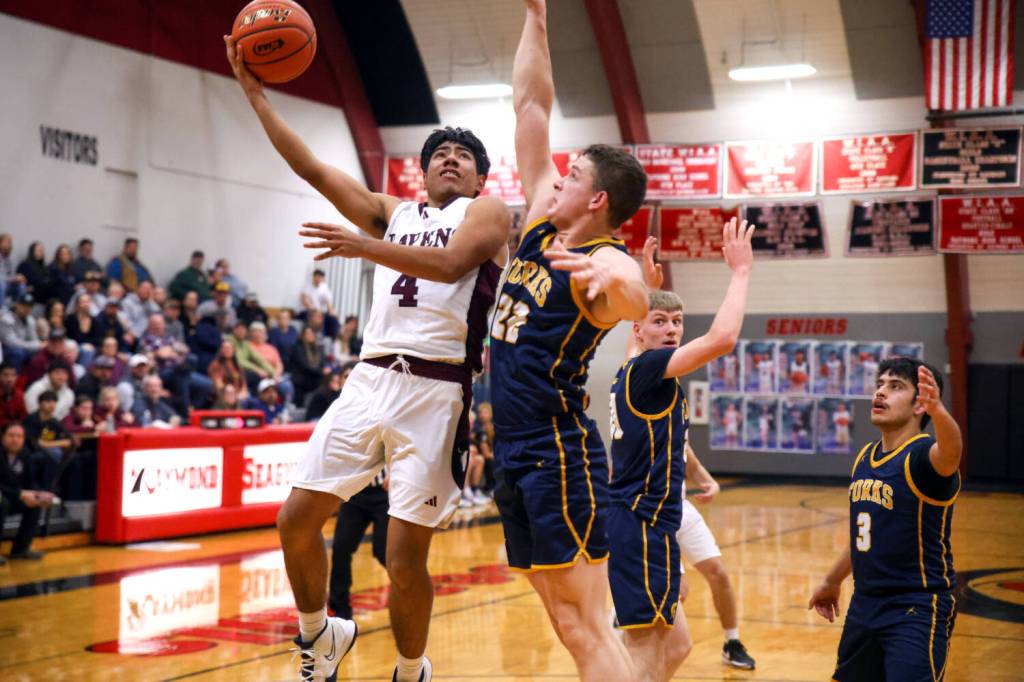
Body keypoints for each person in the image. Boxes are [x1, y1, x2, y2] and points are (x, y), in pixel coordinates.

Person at [226, 29, 509, 682]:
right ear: (422, 168)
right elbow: (313, 169)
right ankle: (319, 634)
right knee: (294, 520)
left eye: (463, 155)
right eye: (439, 151)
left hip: (437, 393)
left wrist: (363, 247)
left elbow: (449, 266)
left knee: (404, 559)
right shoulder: (393, 211)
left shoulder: (489, 212)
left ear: (479, 175)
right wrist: (256, 96)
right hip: (370, 379)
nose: (449, 158)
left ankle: (412, 671)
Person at [484, 3, 652, 679]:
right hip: (513, 447)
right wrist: (536, 18)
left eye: (574, 175)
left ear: (597, 203)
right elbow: (530, 105)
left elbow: (632, 294)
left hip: (557, 449)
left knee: (584, 625)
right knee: (564, 622)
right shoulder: (539, 225)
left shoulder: (602, 263)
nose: (559, 178)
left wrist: (617, 278)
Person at [606, 230, 752, 682]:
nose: (670, 330)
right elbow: (723, 338)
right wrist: (741, 271)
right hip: (640, 523)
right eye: (659, 322)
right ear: (639, 330)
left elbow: (636, 336)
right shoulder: (649, 369)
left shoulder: (635, 363)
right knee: (646, 650)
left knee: (680, 644)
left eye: (676, 322)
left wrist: (646, 294)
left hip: (657, 523)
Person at [809, 358, 962, 681]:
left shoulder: (925, 457)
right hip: (864, 604)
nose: (880, 392)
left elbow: (952, 451)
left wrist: (939, 412)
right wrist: (833, 580)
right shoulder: (865, 457)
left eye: (895, 387)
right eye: (880, 384)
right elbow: (864, 538)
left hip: (916, 606)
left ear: (920, 403)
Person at [675, 444, 756, 669]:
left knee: (718, 572)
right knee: (678, 592)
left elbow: (692, 464)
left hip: (680, 507)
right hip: (653, 512)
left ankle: (732, 643)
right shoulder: (642, 419)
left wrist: (710, 482)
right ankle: (624, 622)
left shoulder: (678, 416)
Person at [329, 468, 389, 619]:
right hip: (355, 492)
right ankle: (340, 606)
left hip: (387, 493)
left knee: (385, 553)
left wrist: (397, 471)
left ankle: (409, 591)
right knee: (341, 547)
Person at [0, 422, 55, 562]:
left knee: (34, 505)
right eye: (11, 435)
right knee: (3, 503)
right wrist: (20, 494)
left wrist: (37, 495)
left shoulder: (26, 455)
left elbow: (30, 481)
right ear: (3, 437)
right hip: (4, 497)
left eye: (19, 436)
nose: (15, 439)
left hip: (12, 495)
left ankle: (20, 549)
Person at [0, 293, 42, 369]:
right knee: (17, 353)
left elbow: (35, 339)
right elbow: (12, 343)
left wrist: (38, 346)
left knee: (41, 353)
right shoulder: (6, 319)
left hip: (23, 348)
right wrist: (37, 345)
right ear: (17, 305)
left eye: (29, 306)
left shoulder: (30, 319)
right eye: (24, 305)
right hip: (5, 349)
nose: (27, 308)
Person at [0, 362, 27, 427]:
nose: (10, 379)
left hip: (16, 428)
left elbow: (23, 415)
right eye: (6, 375)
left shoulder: (19, 394)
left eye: (13, 375)